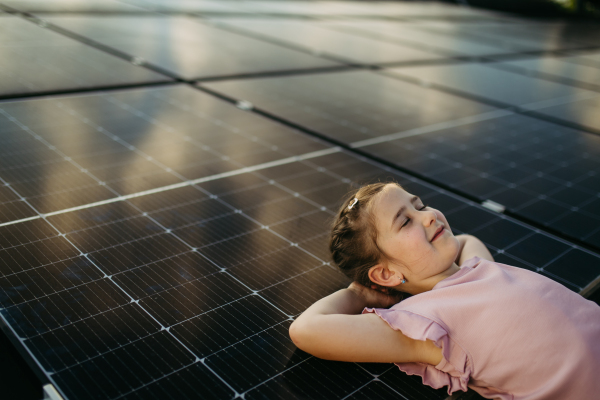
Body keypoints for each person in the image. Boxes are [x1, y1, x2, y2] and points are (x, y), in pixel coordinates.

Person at [289, 182, 600, 399]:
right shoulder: (426, 326)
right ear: (385, 272)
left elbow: (464, 240)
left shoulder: (476, 269)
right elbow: (306, 330)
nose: (429, 216)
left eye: (420, 204)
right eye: (405, 222)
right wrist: (360, 295)